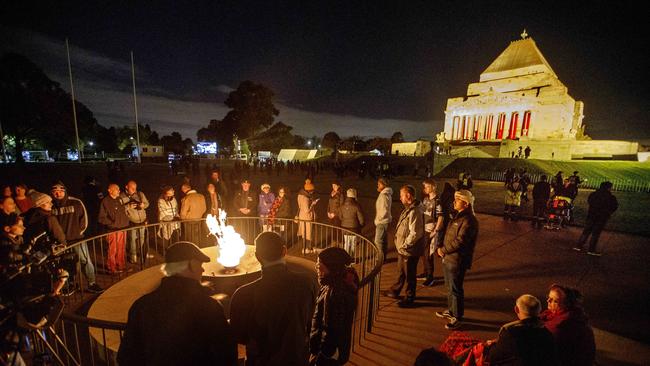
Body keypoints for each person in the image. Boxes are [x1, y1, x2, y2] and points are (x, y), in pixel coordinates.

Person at [117, 241, 237, 365]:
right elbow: (226, 355)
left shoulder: (141, 306)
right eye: (200, 264)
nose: (202, 269)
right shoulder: (208, 307)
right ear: (190, 265)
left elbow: (127, 356)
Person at [230, 232, 316, 365]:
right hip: (296, 358)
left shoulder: (243, 294)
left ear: (258, 256)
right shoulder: (306, 283)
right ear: (284, 251)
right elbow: (309, 320)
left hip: (261, 360)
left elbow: (239, 336)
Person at [436, 189, 478, 329]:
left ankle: (458, 317)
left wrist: (443, 250)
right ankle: (452, 310)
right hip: (449, 258)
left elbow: (461, 241)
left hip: (457, 260)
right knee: (449, 287)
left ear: (465, 204)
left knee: (455, 289)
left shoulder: (469, 220)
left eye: (457, 199)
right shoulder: (458, 216)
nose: (454, 202)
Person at [50, 181, 103, 294]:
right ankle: (70, 284)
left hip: (77, 239)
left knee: (85, 260)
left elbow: (84, 219)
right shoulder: (50, 206)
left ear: (64, 191)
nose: (58, 194)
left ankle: (91, 283)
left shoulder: (76, 202)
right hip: (60, 242)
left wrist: (78, 233)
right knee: (66, 264)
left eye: (60, 191)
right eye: (55, 192)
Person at [310, 247, 359, 365]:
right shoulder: (336, 283)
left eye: (320, 266)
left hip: (328, 356)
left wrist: (321, 356)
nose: (317, 269)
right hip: (334, 351)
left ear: (332, 268)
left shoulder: (335, 293)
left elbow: (331, 330)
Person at [485, 294, 558, 365]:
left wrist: (491, 346)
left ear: (516, 309)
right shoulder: (546, 332)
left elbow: (494, 357)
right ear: (539, 310)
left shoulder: (510, 332)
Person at [382, 185, 424, 308]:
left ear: (408, 196)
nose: (400, 198)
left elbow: (415, 233)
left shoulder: (415, 211)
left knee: (410, 275)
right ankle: (395, 291)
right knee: (401, 272)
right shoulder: (409, 208)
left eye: (401, 195)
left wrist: (405, 245)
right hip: (404, 249)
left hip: (409, 250)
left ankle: (410, 298)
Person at [540, 284, 595, 366]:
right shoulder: (555, 314)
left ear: (566, 304)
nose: (548, 301)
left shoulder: (562, 325)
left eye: (555, 301)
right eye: (548, 297)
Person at [573, 181, 618, 256]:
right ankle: (591, 250)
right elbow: (614, 206)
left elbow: (589, 201)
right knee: (595, 234)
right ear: (608, 188)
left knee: (586, 231)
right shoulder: (610, 197)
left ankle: (579, 246)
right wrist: (608, 212)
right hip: (602, 217)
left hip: (591, 215)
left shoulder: (594, 194)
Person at [98, 184, 130, 274]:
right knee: (113, 249)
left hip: (122, 228)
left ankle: (121, 265)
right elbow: (101, 217)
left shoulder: (119, 199)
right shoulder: (105, 201)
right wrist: (112, 223)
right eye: (117, 189)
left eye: (119, 189)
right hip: (113, 230)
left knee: (121, 248)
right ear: (110, 190)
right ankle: (111, 268)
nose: (119, 191)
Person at [419, 179, 444, 287]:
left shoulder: (437, 201)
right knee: (423, 253)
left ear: (433, 187)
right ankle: (425, 272)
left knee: (429, 254)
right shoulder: (425, 199)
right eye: (424, 187)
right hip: (424, 229)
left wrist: (435, 231)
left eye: (427, 187)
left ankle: (430, 277)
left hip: (431, 230)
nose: (425, 189)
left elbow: (441, 217)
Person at [120, 180, 149, 264]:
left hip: (142, 221)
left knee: (142, 238)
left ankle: (139, 252)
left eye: (135, 188)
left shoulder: (140, 194)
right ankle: (133, 256)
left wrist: (143, 205)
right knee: (132, 239)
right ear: (126, 187)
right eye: (132, 188)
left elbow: (147, 204)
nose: (134, 190)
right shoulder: (122, 196)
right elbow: (119, 210)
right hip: (132, 222)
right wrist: (128, 206)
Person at [339, 188, 364, 257]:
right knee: (352, 244)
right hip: (354, 227)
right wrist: (361, 225)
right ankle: (351, 258)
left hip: (344, 227)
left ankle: (344, 257)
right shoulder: (357, 206)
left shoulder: (343, 205)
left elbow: (340, 217)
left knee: (346, 243)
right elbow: (361, 219)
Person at [297, 179, 319, 254]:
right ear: (309, 190)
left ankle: (305, 248)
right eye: (312, 191)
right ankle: (307, 248)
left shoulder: (300, 195)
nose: (313, 192)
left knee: (305, 233)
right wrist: (313, 204)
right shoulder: (305, 198)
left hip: (302, 216)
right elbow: (307, 210)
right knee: (308, 234)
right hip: (306, 217)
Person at [374, 177, 393, 259]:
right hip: (384, 221)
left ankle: (379, 259)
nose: (377, 185)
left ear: (383, 184)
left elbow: (384, 210)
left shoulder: (384, 195)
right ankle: (383, 257)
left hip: (381, 222)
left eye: (379, 184)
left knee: (378, 241)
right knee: (384, 241)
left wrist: (379, 219)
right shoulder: (385, 194)